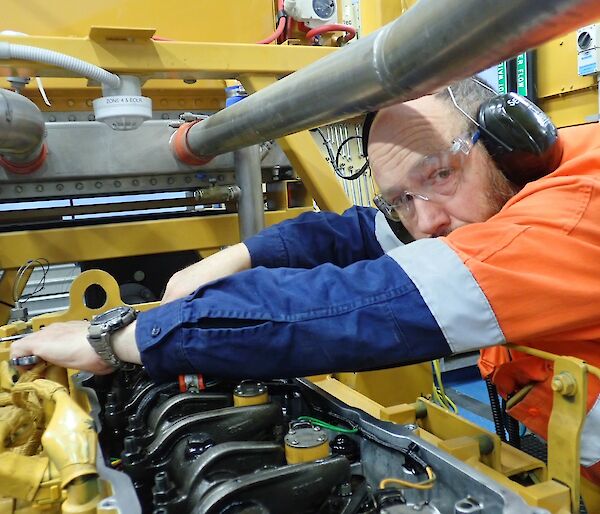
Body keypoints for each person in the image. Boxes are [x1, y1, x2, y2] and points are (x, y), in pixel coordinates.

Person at [10, 78, 600, 485]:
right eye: (402, 201)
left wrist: (113, 338)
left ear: (509, 145)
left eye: (439, 176)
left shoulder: (567, 221)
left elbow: (349, 308)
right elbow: (351, 234)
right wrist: (234, 257)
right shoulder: (494, 191)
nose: (427, 224)